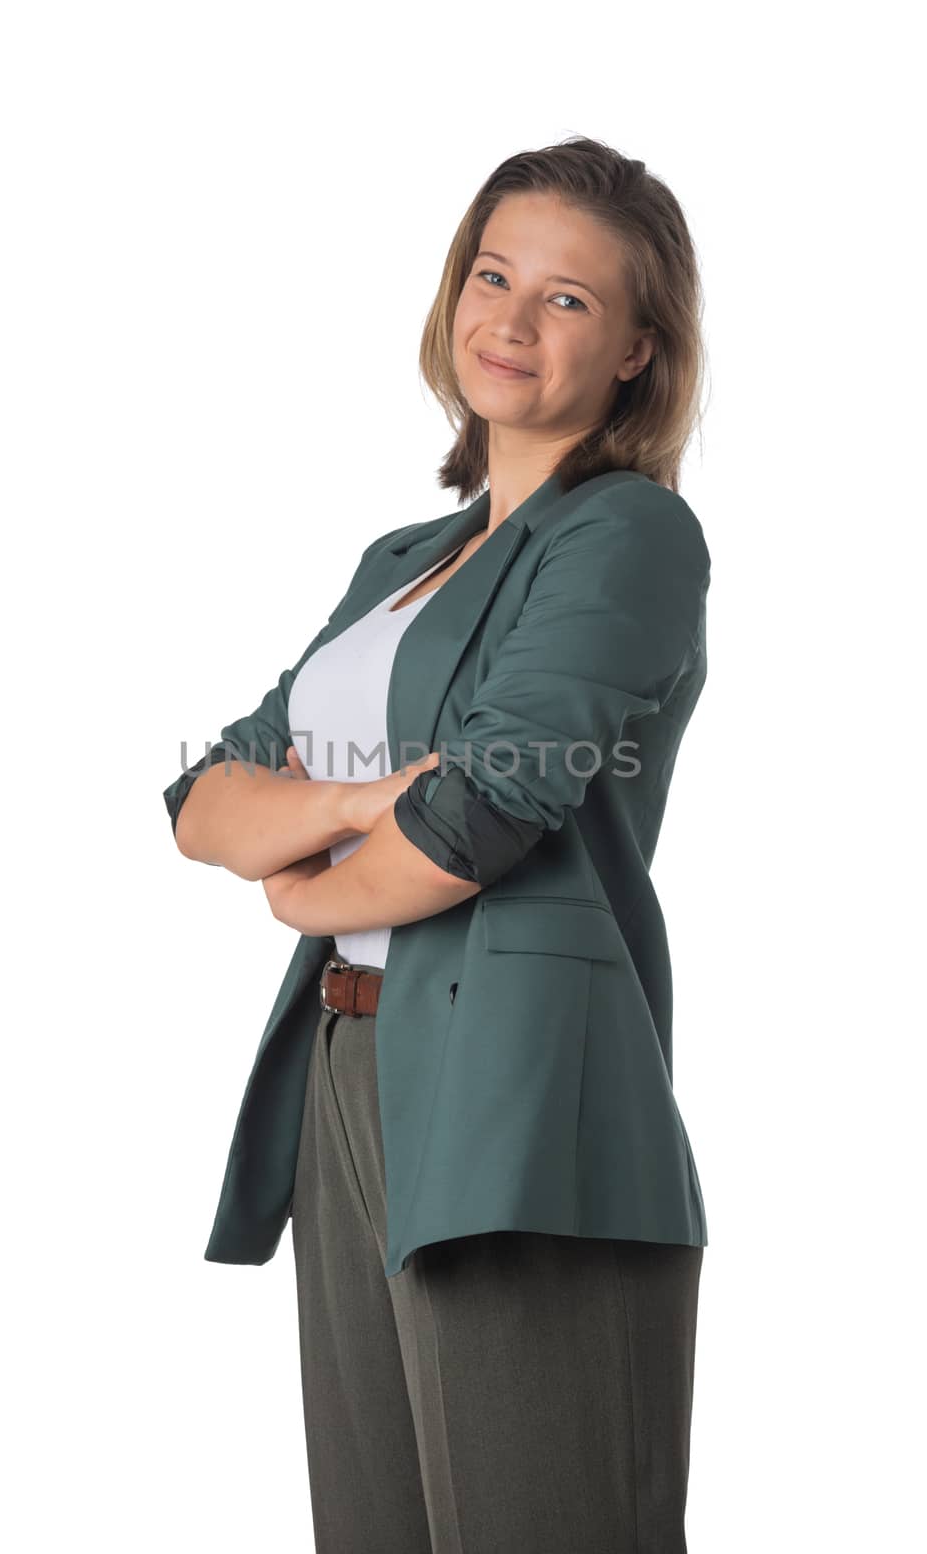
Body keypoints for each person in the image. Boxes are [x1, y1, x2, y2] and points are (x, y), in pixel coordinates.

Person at [163, 135, 712, 1554]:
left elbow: (482, 807)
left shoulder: (632, 536)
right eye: (494, 275)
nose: (514, 322)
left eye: (571, 299)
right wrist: (349, 807)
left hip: (521, 1089)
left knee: (544, 1522)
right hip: (351, 1063)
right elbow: (204, 800)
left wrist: (301, 893)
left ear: (641, 350)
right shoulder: (400, 563)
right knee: (377, 1530)